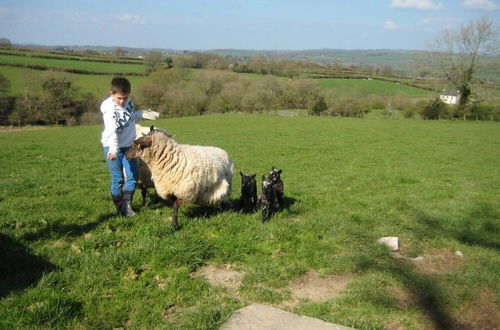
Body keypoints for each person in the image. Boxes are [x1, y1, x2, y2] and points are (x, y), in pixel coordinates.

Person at [100, 77, 158, 217]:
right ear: (111, 93)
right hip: (113, 148)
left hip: (129, 146)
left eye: (125, 98)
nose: (122, 101)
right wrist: (113, 149)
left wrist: (145, 114)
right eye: (119, 98)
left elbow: (131, 116)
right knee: (118, 178)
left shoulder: (128, 103)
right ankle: (120, 207)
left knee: (133, 176)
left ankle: (127, 207)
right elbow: (111, 130)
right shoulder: (109, 109)